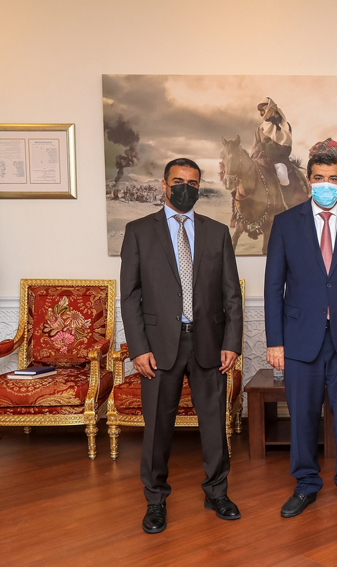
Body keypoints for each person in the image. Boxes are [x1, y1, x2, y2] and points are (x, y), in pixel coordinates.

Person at [120, 158, 243, 534]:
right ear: (164, 185)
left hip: (208, 343)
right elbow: (130, 296)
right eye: (178, 181)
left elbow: (231, 295)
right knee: (158, 427)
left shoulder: (217, 232)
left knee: (213, 424)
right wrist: (138, 349)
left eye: (192, 182)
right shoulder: (139, 231)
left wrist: (232, 343)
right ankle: (155, 500)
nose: (185, 188)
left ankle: (216, 492)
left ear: (200, 187)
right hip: (158, 348)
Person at [264, 153, 337, 518]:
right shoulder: (286, 222)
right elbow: (273, 286)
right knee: (301, 415)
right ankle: (305, 484)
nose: (326, 185)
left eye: (332, 178)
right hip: (300, 337)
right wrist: (274, 341)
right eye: (319, 178)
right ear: (309, 179)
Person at [255, 97, 293, 186]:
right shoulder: (260, 128)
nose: (260, 114)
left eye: (262, 110)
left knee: (284, 180)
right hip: (261, 162)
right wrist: (257, 149)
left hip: (279, 161)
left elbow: (287, 149)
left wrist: (268, 148)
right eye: (259, 111)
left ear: (270, 109)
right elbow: (254, 147)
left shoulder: (285, 126)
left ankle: (285, 200)